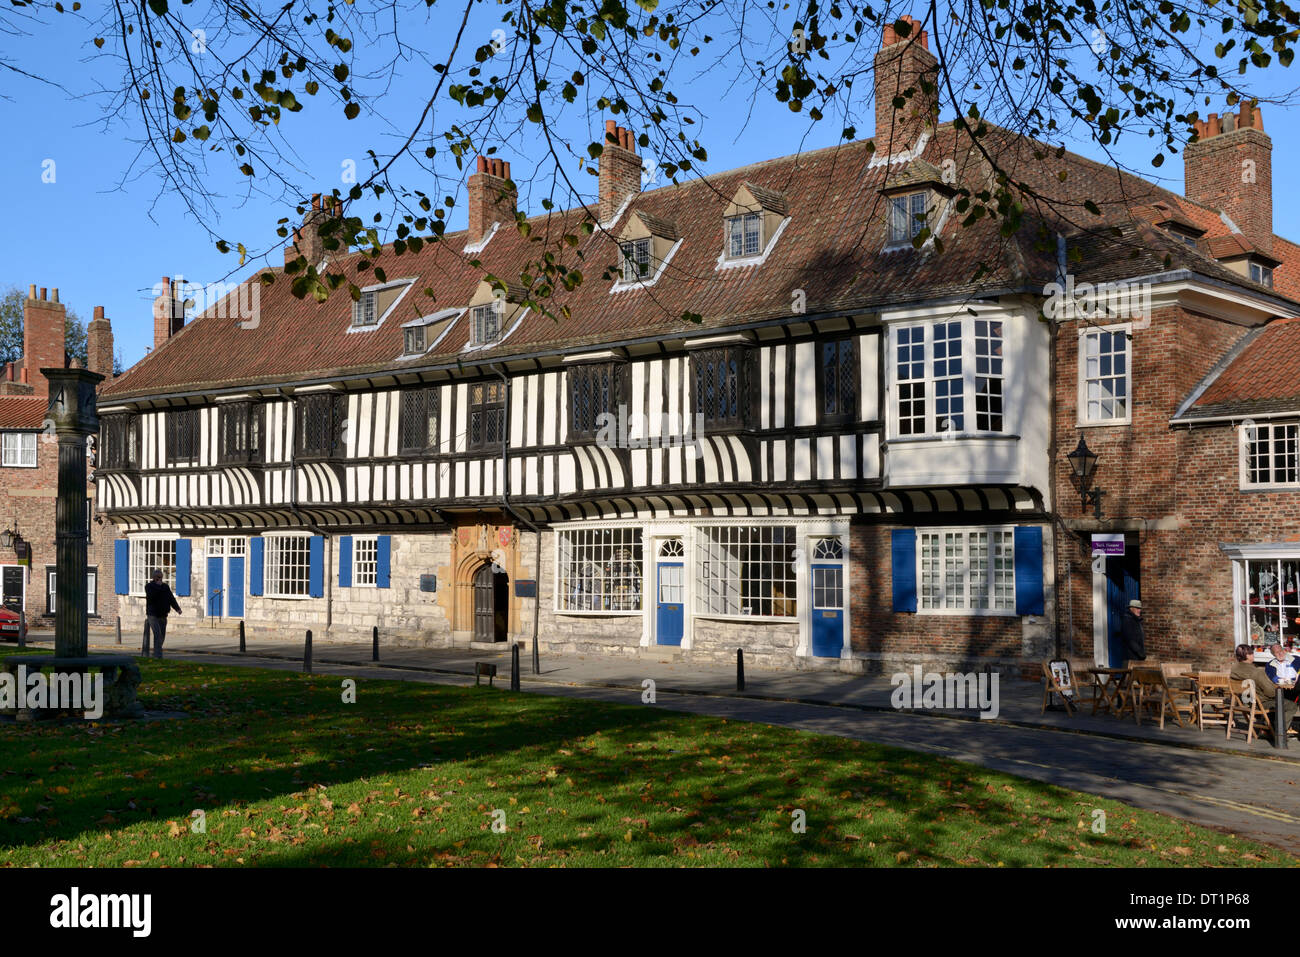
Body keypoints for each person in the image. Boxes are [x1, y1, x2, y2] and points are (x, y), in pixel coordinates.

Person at [1230, 644, 1298, 732]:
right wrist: (1280, 690)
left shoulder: (1234, 669)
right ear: (1247, 656)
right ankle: (1279, 732)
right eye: (1252, 653)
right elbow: (1270, 692)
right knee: (1291, 705)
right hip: (1260, 703)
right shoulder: (1257, 671)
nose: (1253, 655)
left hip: (1246, 702)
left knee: (1281, 701)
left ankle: (1268, 727)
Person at [144, 568, 182, 660]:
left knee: (162, 635)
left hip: (163, 614)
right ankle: (158, 656)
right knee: (157, 634)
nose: (159, 579)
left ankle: (156, 651)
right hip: (152, 614)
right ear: (153, 577)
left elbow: (171, 598)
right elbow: (151, 597)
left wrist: (177, 609)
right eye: (157, 577)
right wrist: (158, 587)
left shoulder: (165, 587)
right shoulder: (149, 586)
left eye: (161, 577)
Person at [1120, 598, 1146, 665]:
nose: (1139, 610)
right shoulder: (1127, 620)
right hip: (1130, 658)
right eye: (1137, 608)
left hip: (1137, 657)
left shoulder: (1136, 620)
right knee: (1129, 675)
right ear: (1131, 608)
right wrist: (1140, 653)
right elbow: (1130, 640)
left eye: (1140, 608)